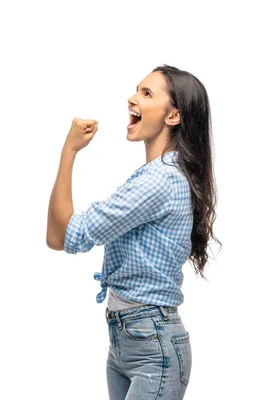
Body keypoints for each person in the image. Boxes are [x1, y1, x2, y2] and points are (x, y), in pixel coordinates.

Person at [46, 64, 220, 399]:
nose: (132, 98)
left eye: (146, 93)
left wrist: (69, 152)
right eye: (136, 90)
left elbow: (65, 236)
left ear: (173, 116)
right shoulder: (158, 175)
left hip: (152, 347)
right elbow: (58, 234)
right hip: (127, 340)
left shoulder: (160, 181)